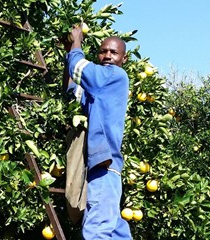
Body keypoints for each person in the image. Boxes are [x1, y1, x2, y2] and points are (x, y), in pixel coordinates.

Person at [63, 25, 133, 239]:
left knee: (97, 232)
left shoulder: (114, 76)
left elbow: (80, 68)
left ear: (124, 58)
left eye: (114, 52)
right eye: (103, 51)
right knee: (114, 231)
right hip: (104, 170)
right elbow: (72, 91)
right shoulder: (96, 90)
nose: (108, 56)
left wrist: (76, 43)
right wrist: (69, 53)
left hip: (104, 169)